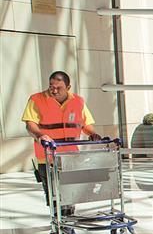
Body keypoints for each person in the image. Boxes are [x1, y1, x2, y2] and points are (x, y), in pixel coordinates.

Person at [21, 71, 101, 215]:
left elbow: (86, 124)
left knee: (71, 194)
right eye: (51, 86)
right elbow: (30, 124)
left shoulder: (78, 101)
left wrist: (92, 134)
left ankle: (67, 221)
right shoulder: (36, 99)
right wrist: (41, 135)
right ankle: (59, 224)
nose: (54, 90)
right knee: (54, 196)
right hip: (47, 157)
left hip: (71, 157)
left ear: (68, 87)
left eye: (59, 87)